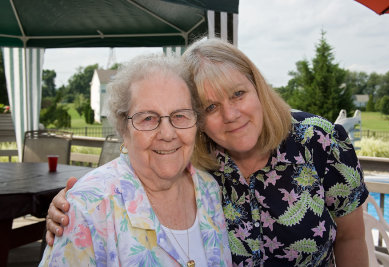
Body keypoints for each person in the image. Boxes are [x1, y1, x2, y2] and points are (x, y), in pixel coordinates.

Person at [46, 38, 369, 266]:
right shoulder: (195, 162)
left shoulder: (317, 139)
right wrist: (76, 207)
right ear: (199, 120)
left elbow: (352, 238)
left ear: (258, 87)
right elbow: (130, 174)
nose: (230, 115)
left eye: (238, 94)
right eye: (211, 106)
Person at [39, 54, 232, 266]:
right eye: (148, 118)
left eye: (180, 115)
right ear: (124, 129)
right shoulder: (87, 208)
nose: (167, 134)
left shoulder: (209, 190)